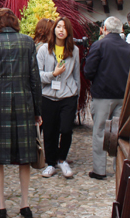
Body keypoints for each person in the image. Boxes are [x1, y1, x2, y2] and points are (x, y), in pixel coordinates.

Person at [0, 8, 42, 218]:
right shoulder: (28, 42)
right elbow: (35, 78)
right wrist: (38, 110)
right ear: (15, 22)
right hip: (24, 102)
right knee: (24, 157)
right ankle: (25, 205)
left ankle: (1, 206)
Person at [84, 16, 130, 180]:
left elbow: (89, 71)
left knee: (100, 132)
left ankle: (99, 170)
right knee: (118, 134)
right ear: (120, 30)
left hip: (103, 96)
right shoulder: (129, 48)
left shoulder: (99, 45)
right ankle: (118, 167)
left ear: (104, 29)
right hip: (122, 96)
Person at [36, 16, 80, 180]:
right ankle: (50, 163)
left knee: (66, 129)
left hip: (68, 95)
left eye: (64, 27)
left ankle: (62, 159)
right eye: (58, 26)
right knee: (49, 131)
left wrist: (76, 94)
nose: (61, 30)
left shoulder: (73, 50)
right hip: (48, 96)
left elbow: (76, 75)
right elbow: (37, 75)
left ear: (68, 31)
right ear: (54, 29)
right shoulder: (43, 50)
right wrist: (52, 74)